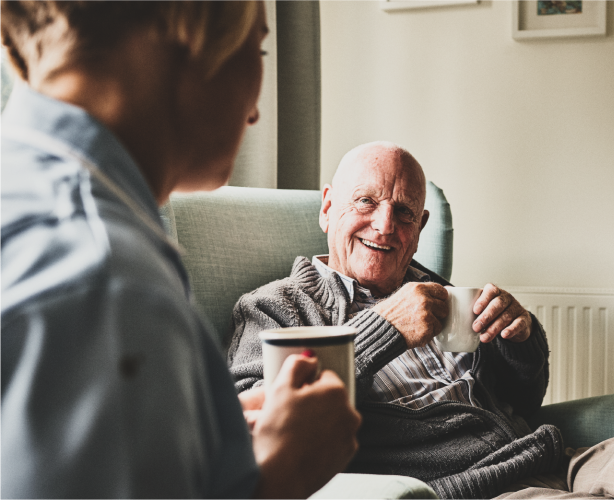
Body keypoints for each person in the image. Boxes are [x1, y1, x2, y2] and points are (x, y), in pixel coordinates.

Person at [228, 141, 614, 500]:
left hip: (557, 457)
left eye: (404, 212)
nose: (385, 224)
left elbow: (521, 404)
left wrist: (519, 341)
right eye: (366, 203)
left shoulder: (441, 295)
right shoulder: (276, 306)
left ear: (420, 225)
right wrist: (387, 327)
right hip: (473, 489)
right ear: (328, 205)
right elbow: (257, 424)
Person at [0, 1, 360, 499]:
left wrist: (184, 426)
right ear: (179, 34)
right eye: (255, 47)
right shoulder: (109, 285)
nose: (256, 111)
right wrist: (281, 475)